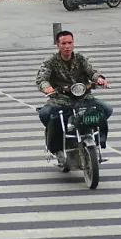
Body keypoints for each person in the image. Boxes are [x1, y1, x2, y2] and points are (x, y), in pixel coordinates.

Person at [36, 31, 113, 162]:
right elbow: (41, 79)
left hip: (83, 98)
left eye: (70, 43)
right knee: (45, 114)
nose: (67, 46)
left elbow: (91, 72)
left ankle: (99, 141)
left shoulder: (81, 59)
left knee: (106, 109)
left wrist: (99, 79)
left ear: (74, 43)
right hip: (60, 99)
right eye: (63, 43)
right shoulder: (50, 62)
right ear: (57, 45)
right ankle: (56, 148)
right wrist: (47, 87)